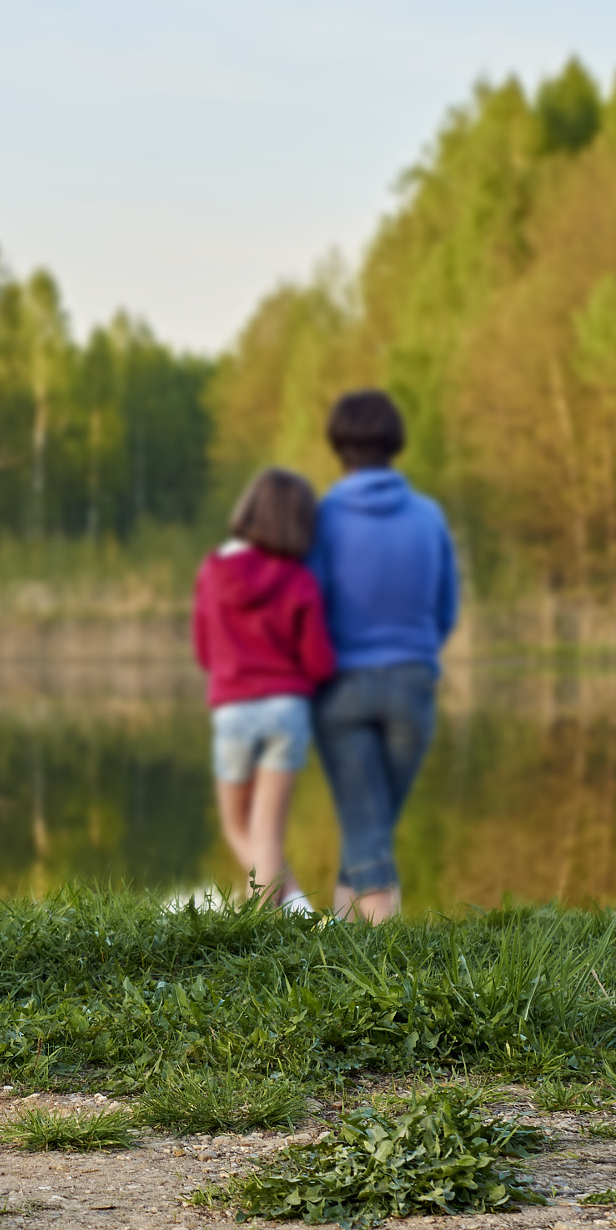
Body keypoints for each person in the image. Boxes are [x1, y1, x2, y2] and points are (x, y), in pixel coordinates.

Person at [305, 389, 460, 923]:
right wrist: (412, 656)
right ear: (394, 444)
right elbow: (446, 607)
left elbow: (309, 607)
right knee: (369, 825)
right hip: (413, 688)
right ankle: (347, 945)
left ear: (338, 446)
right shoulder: (430, 516)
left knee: (367, 828)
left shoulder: (322, 517)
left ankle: (383, 962)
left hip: (342, 689)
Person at [192, 467, 335, 912]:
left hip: (233, 709)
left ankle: (274, 917)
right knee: (266, 831)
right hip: (286, 711)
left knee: (238, 825)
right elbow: (319, 662)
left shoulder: (213, 572)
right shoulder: (299, 580)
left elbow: (203, 651)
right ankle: (296, 912)